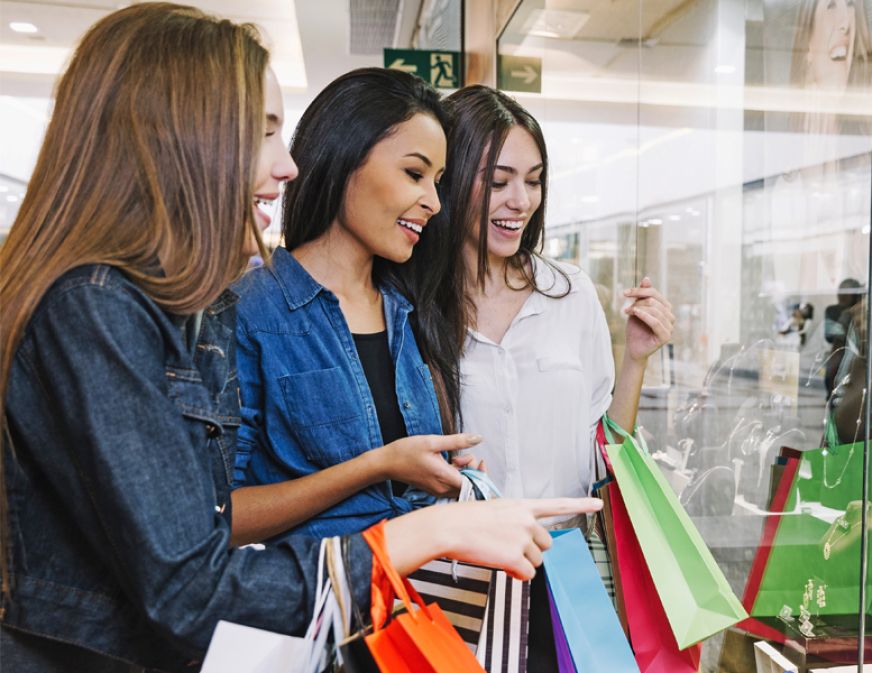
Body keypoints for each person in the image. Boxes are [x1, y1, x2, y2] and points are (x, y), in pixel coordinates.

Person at [0, 6, 599, 670]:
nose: (285, 167)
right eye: (261, 133)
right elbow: (193, 582)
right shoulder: (103, 308)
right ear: (179, 136)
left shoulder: (398, 310)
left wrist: (440, 499)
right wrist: (419, 527)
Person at [432, 85, 676, 670]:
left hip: (563, 570)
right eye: (498, 181)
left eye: (534, 180)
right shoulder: (417, 305)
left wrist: (635, 360)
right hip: (459, 572)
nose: (521, 200)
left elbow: (600, 454)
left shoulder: (568, 293)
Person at [230, 68, 484, 544]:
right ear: (344, 156)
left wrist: (444, 477)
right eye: (414, 173)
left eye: (438, 182)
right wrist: (376, 466)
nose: (432, 202)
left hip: (412, 603)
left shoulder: (408, 312)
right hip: (316, 606)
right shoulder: (250, 312)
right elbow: (219, 517)